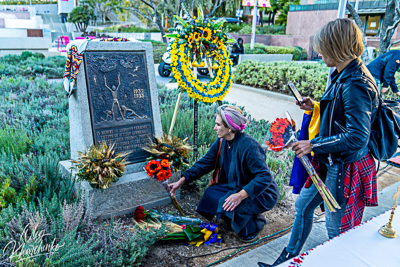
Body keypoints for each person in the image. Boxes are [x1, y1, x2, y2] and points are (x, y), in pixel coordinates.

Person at [258, 18, 379, 267]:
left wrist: (314, 145)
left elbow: (357, 136)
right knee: (303, 206)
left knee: (337, 231)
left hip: (342, 166)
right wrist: (315, 108)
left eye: (323, 47)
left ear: (336, 47)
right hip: (331, 163)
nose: (319, 52)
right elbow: (342, 116)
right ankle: (288, 259)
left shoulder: (355, 83)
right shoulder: (344, 73)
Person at [170, 105, 279, 243]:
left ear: (230, 128)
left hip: (262, 192)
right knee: (211, 193)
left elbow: (265, 177)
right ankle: (231, 216)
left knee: (234, 207)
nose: (214, 128)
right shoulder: (222, 141)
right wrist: (182, 180)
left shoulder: (249, 146)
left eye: (218, 125)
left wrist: (240, 195)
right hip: (237, 185)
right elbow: (205, 162)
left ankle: (256, 223)